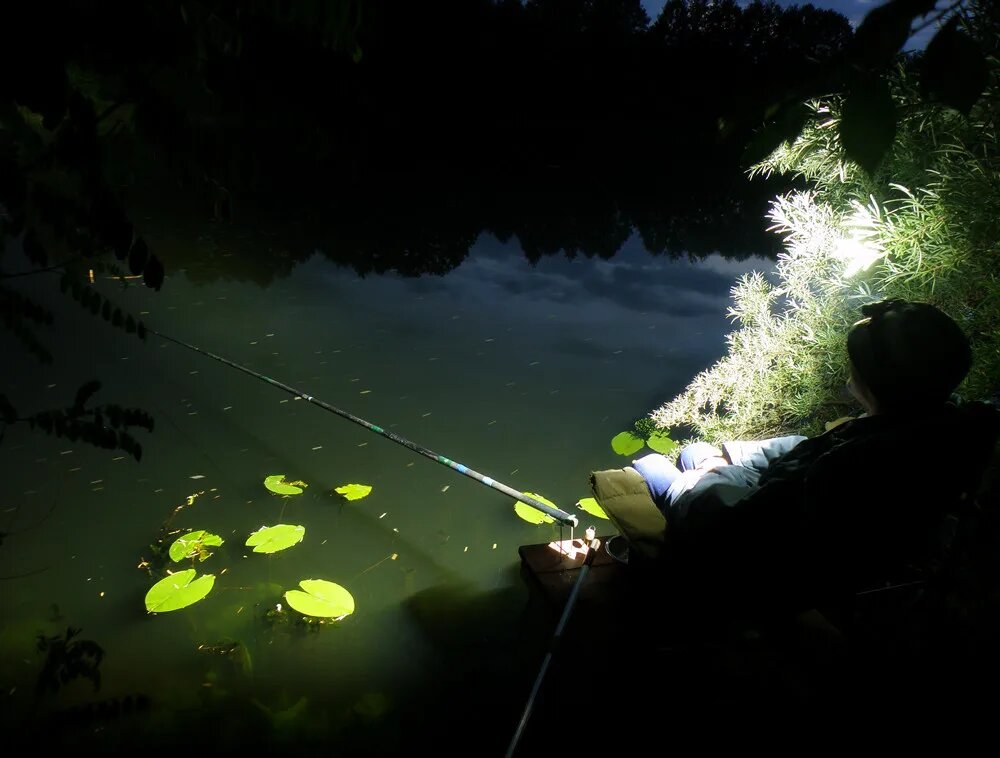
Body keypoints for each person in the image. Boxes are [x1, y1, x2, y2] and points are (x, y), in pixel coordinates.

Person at [591, 299, 1000, 617]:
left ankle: (655, 595)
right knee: (697, 450)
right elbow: (811, 447)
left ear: (872, 380)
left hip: (769, 568)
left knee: (650, 465)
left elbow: (733, 527)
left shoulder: (841, 470)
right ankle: (709, 469)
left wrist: (705, 477)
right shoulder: (938, 428)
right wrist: (730, 457)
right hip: (842, 546)